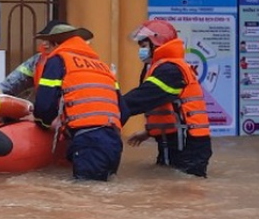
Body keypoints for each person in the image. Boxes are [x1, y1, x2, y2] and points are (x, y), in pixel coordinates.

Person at [31, 21, 124, 181]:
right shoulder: (101, 66)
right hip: (114, 141)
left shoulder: (59, 60)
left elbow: (45, 103)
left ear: (56, 43)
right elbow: (124, 109)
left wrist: (43, 124)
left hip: (88, 141)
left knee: (85, 196)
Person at [121, 18, 212, 177]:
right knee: (170, 186)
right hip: (180, 141)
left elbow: (142, 98)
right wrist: (149, 132)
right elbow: (168, 108)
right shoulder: (166, 67)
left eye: (143, 46)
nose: (140, 51)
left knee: (179, 191)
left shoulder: (170, 70)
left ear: (156, 43)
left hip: (185, 144)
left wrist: (111, 109)